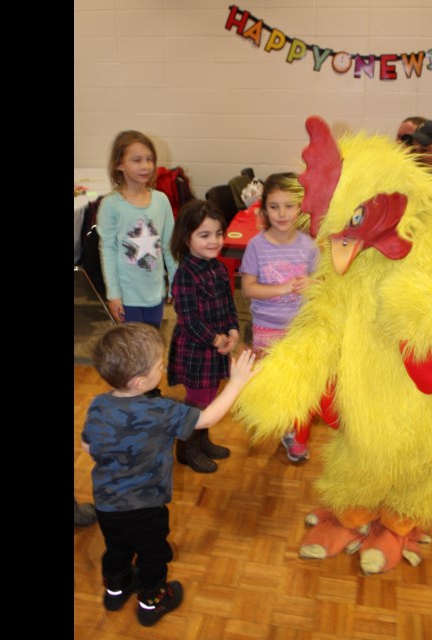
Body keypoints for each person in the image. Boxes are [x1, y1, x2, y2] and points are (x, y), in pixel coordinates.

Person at [81, 322, 257, 626]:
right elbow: (207, 418)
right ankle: (152, 603)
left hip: (107, 503)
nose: (163, 367)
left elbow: (87, 446)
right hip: (145, 506)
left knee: (117, 548)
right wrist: (238, 382)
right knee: (153, 555)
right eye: (159, 365)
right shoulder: (161, 411)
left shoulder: (98, 404)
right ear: (139, 382)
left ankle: (115, 589)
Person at [239, 173, 319, 462]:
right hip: (267, 328)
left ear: (300, 209)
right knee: (273, 383)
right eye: (274, 206)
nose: (282, 213)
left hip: (301, 329)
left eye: (289, 206)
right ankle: (279, 421)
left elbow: (322, 285)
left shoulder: (309, 246)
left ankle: (295, 434)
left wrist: (313, 286)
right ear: (264, 210)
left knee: (300, 384)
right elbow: (248, 288)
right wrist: (282, 288)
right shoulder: (256, 247)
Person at [167, 199, 242, 473]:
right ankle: (187, 449)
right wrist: (216, 340)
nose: (214, 241)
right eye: (205, 235)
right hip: (197, 349)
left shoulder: (219, 268)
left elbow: (228, 305)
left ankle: (203, 439)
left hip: (216, 347)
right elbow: (188, 320)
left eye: (219, 234)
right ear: (187, 239)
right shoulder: (185, 275)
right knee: (197, 402)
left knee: (209, 397)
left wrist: (233, 330)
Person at [97, 130, 178, 329]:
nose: (146, 166)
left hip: (155, 294)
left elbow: (169, 245)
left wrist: (175, 281)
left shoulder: (161, 201)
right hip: (127, 297)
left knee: (152, 345)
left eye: (150, 159)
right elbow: (108, 250)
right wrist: (113, 294)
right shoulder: (111, 205)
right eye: (137, 160)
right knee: (132, 350)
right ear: (119, 164)